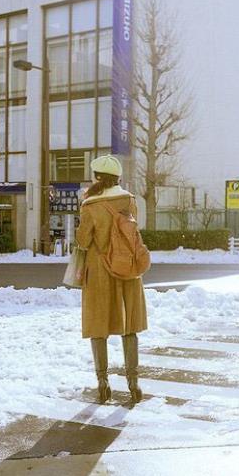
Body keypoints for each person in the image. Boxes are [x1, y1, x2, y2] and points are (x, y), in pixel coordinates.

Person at [75, 155, 148, 404]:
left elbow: (83, 242)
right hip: (128, 269)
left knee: (99, 327)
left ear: (97, 177)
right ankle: (133, 383)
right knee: (130, 327)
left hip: (99, 273)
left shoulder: (90, 205)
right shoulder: (129, 200)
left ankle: (103, 382)